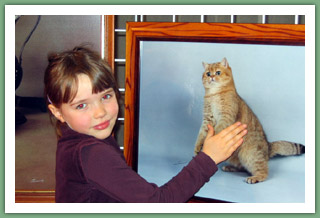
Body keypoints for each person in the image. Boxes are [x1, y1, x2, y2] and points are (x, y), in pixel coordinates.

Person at [44, 46, 247, 203]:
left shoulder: (76, 137)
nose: (100, 112)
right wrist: (208, 158)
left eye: (106, 96)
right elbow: (157, 204)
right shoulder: (91, 154)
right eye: (81, 106)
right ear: (57, 112)